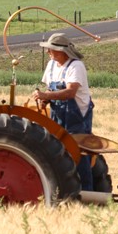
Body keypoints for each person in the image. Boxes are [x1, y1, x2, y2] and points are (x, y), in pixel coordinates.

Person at [32, 33, 94, 191]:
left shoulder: (76, 66)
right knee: (58, 153)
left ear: (61, 51)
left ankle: (86, 191)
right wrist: (44, 99)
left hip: (77, 118)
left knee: (79, 154)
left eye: (51, 50)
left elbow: (70, 93)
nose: (48, 53)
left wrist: (46, 95)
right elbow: (49, 89)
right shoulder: (52, 65)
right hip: (58, 116)